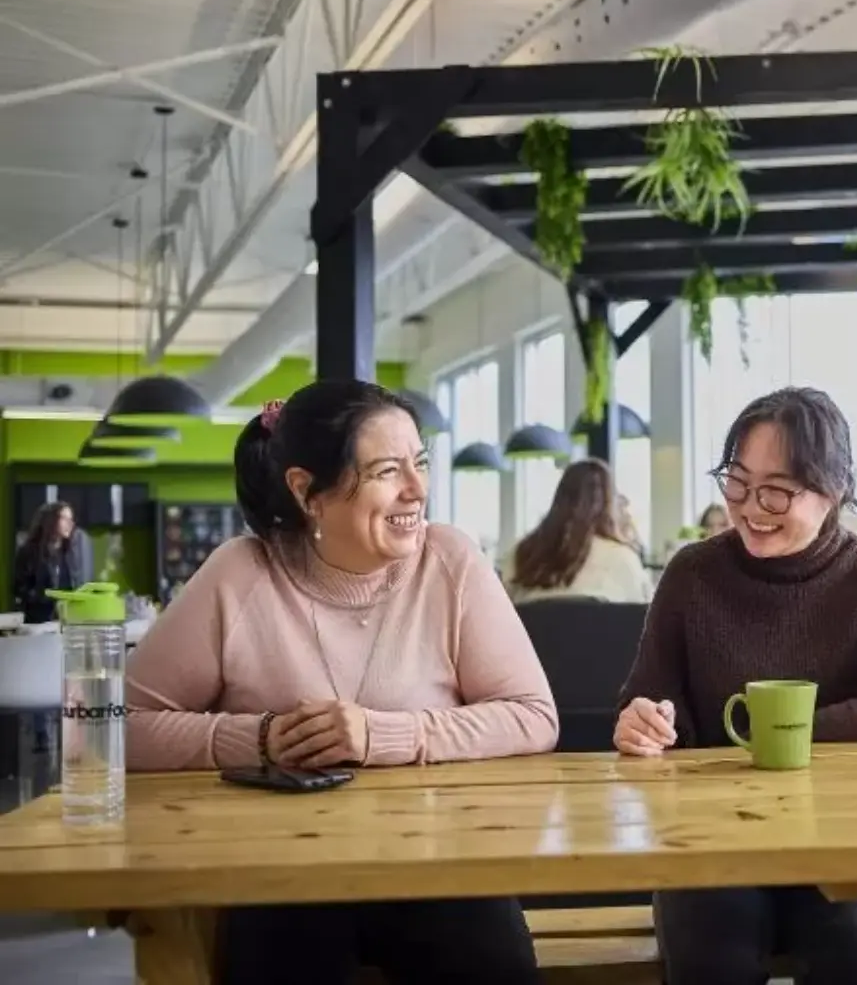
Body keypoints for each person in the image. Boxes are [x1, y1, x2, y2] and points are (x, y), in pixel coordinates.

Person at [125, 381, 558, 985]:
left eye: (420, 462)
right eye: (387, 470)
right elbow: (118, 729)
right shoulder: (239, 574)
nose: (418, 489)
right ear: (307, 491)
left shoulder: (450, 561)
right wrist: (266, 740)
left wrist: (383, 735)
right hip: (280, 876)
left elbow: (533, 714)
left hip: (439, 862)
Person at [613, 386, 857, 985]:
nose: (751, 506)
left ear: (833, 490)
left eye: (777, 490)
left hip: (846, 835)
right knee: (710, 955)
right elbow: (649, 697)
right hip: (712, 838)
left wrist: (773, 736)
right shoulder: (692, 572)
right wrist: (642, 722)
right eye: (736, 482)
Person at [502, 460, 653, 604]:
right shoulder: (623, 558)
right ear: (610, 505)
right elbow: (645, 615)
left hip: (532, 631)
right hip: (600, 631)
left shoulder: (521, 555)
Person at [12, 501, 76, 623]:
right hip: (36, 622)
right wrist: (45, 596)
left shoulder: (68, 553)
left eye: (71, 519)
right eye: (64, 518)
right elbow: (20, 589)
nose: (70, 524)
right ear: (50, 520)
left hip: (63, 622)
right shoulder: (29, 552)